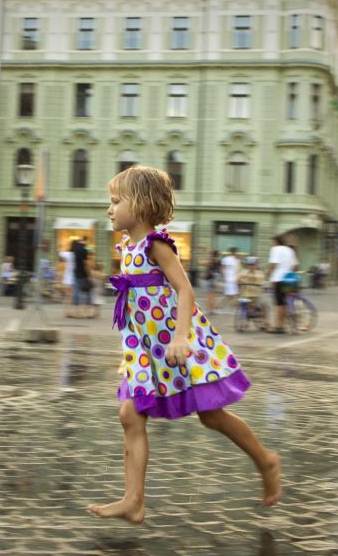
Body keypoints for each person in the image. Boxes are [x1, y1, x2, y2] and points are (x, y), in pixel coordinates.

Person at [89, 165, 281, 524]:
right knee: (129, 414)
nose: (110, 209)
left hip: (179, 342)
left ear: (142, 205)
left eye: (116, 201)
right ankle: (133, 501)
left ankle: (265, 460)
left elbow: (185, 289)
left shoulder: (156, 245)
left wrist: (180, 337)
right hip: (146, 350)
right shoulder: (127, 246)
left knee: (211, 415)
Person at [267, 236, 299, 333]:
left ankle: (278, 326)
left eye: (272, 242)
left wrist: (268, 274)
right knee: (286, 303)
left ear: (276, 242)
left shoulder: (275, 249)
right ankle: (284, 324)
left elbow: (274, 264)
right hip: (290, 279)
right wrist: (290, 274)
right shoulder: (290, 250)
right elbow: (295, 266)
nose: (271, 244)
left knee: (279, 304)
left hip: (279, 279)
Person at [237, 257, 268, 329]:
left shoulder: (259, 273)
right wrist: (240, 282)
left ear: (256, 265)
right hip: (245, 294)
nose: (251, 266)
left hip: (256, 295)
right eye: (250, 264)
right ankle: (244, 321)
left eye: (253, 264)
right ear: (247, 265)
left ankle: (265, 322)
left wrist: (255, 282)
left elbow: (262, 281)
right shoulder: (243, 272)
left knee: (263, 304)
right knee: (243, 304)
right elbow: (237, 279)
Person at [72, 237, 94, 319]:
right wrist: (89, 275)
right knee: (88, 293)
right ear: (85, 241)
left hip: (76, 273)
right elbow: (86, 264)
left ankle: (77, 312)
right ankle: (87, 313)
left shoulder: (75, 249)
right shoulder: (84, 250)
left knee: (77, 292)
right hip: (84, 275)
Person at [219, 247, 241, 313]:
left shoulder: (237, 260)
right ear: (233, 252)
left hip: (234, 280)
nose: (237, 253)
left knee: (233, 295)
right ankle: (220, 306)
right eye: (236, 252)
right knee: (232, 295)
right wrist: (224, 277)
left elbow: (238, 270)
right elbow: (222, 268)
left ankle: (221, 305)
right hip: (229, 280)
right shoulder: (227, 259)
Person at [60, 247, 76, 314]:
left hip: (67, 278)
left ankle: (67, 311)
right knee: (71, 295)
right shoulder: (75, 255)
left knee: (68, 295)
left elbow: (60, 253)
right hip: (73, 278)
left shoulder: (68, 254)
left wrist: (64, 259)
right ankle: (69, 311)